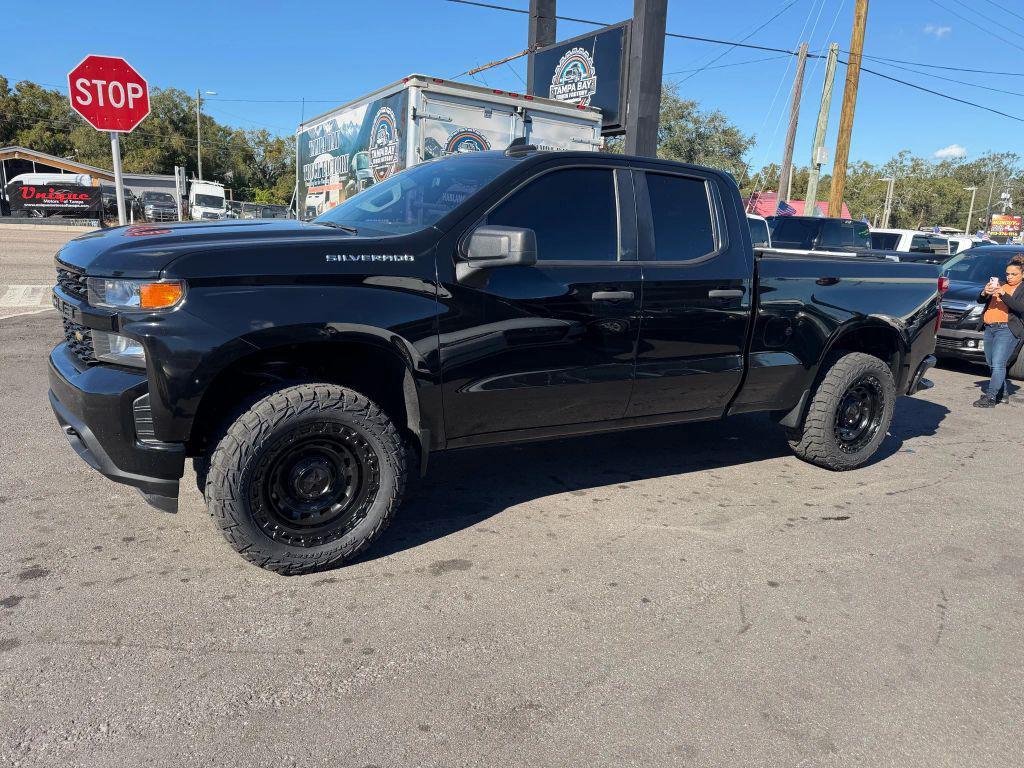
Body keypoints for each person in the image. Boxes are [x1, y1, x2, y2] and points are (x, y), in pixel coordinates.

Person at [974, 254, 1024, 407]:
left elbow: (1020, 308)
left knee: (998, 364)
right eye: (1007, 274)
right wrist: (985, 292)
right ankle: (1002, 394)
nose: (1009, 277)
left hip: (1007, 329)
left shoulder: (1020, 289)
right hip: (990, 327)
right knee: (991, 363)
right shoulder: (1000, 284)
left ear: (1023, 274)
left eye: (1013, 274)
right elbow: (980, 300)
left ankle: (990, 397)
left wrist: (1003, 294)